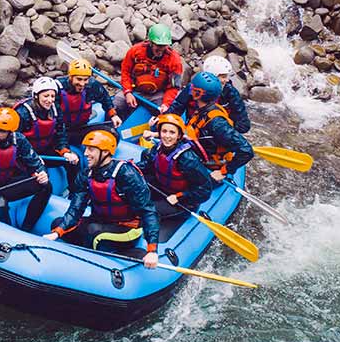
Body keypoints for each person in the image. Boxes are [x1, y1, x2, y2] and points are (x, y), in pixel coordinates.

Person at [43, 130, 160, 268]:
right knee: (57, 223)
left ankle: (90, 266)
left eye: (91, 149)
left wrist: (152, 250)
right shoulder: (87, 174)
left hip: (127, 228)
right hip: (100, 221)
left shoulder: (126, 174)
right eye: (86, 148)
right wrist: (58, 232)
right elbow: (76, 208)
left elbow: (148, 211)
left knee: (94, 233)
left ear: (105, 152)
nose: (86, 153)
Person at [136, 113, 217, 216]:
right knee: (134, 193)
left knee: (145, 212)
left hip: (183, 201)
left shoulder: (187, 159)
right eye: (164, 131)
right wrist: (131, 168)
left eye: (172, 132)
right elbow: (148, 165)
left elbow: (205, 189)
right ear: (159, 133)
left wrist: (180, 196)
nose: (167, 136)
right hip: (163, 187)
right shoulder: (158, 148)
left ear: (179, 135)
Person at [180, 72, 254, 183]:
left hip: (211, 166)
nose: (189, 91)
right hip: (200, 154)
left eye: (193, 89)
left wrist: (224, 171)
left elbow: (246, 150)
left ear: (198, 94)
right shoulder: (203, 110)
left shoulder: (217, 124)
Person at [165, 54, 251, 134]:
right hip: (194, 130)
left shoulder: (230, 92)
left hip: (220, 133)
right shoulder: (193, 88)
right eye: (223, 77)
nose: (227, 80)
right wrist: (164, 122)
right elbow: (176, 108)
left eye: (227, 76)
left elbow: (244, 125)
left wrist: (225, 132)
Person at [114, 23, 184, 119]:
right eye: (158, 45)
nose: (161, 49)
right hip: (135, 90)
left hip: (157, 94)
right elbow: (125, 72)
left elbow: (174, 87)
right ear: (150, 42)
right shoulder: (135, 51)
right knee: (117, 104)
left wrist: (166, 104)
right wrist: (127, 92)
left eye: (164, 45)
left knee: (164, 114)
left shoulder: (174, 60)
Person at [16, 77, 80, 167]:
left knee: (73, 163)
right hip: (27, 155)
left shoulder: (55, 109)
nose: (50, 100)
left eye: (52, 96)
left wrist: (65, 151)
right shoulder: (23, 112)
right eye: (46, 96)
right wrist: (32, 158)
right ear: (36, 96)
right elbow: (15, 140)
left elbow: (60, 133)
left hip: (45, 150)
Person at [56, 58, 117, 146]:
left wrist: (113, 114)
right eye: (79, 79)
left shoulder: (92, 85)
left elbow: (104, 98)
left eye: (85, 79)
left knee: (112, 133)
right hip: (61, 131)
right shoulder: (57, 88)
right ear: (70, 77)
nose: (82, 84)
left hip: (81, 127)